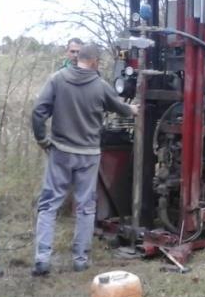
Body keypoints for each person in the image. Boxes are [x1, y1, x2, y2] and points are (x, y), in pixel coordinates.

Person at [30, 43, 138, 276]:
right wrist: (135, 110)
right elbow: (121, 108)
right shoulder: (101, 86)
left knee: (49, 204)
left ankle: (42, 259)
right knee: (86, 207)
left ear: (78, 58)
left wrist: (42, 140)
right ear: (96, 62)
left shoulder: (57, 79)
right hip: (88, 155)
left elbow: (38, 111)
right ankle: (80, 260)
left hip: (60, 151)